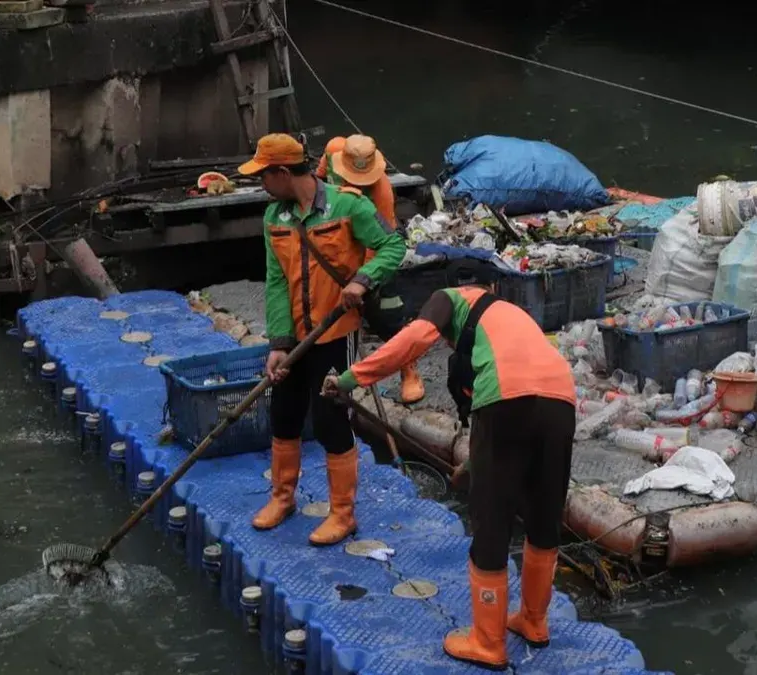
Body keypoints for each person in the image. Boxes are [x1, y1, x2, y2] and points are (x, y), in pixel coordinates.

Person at [322, 260, 576, 670]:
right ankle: (533, 621)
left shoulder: (451, 298)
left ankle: (488, 642)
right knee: (544, 517)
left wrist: (350, 379)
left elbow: (413, 340)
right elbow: (517, 413)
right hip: (562, 401)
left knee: (491, 520)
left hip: (507, 401)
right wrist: (473, 466)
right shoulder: (509, 317)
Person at [239, 133, 406, 546]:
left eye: (264, 175)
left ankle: (342, 513)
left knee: (331, 420)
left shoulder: (348, 206)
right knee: (284, 413)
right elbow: (277, 282)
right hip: (295, 337)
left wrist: (363, 279)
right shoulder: (274, 218)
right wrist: (279, 344)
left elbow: (392, 245)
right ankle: (283, 498)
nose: (261, 184)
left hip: (335, 332)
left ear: (282, 172)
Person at [315, 134, 425, 404]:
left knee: (389, 312)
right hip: (336, 239)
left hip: (371, 247)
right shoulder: (332, 151)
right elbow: (316, 182)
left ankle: (408, 368)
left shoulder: (381, 191)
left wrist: (364, 280)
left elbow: (381, 244)